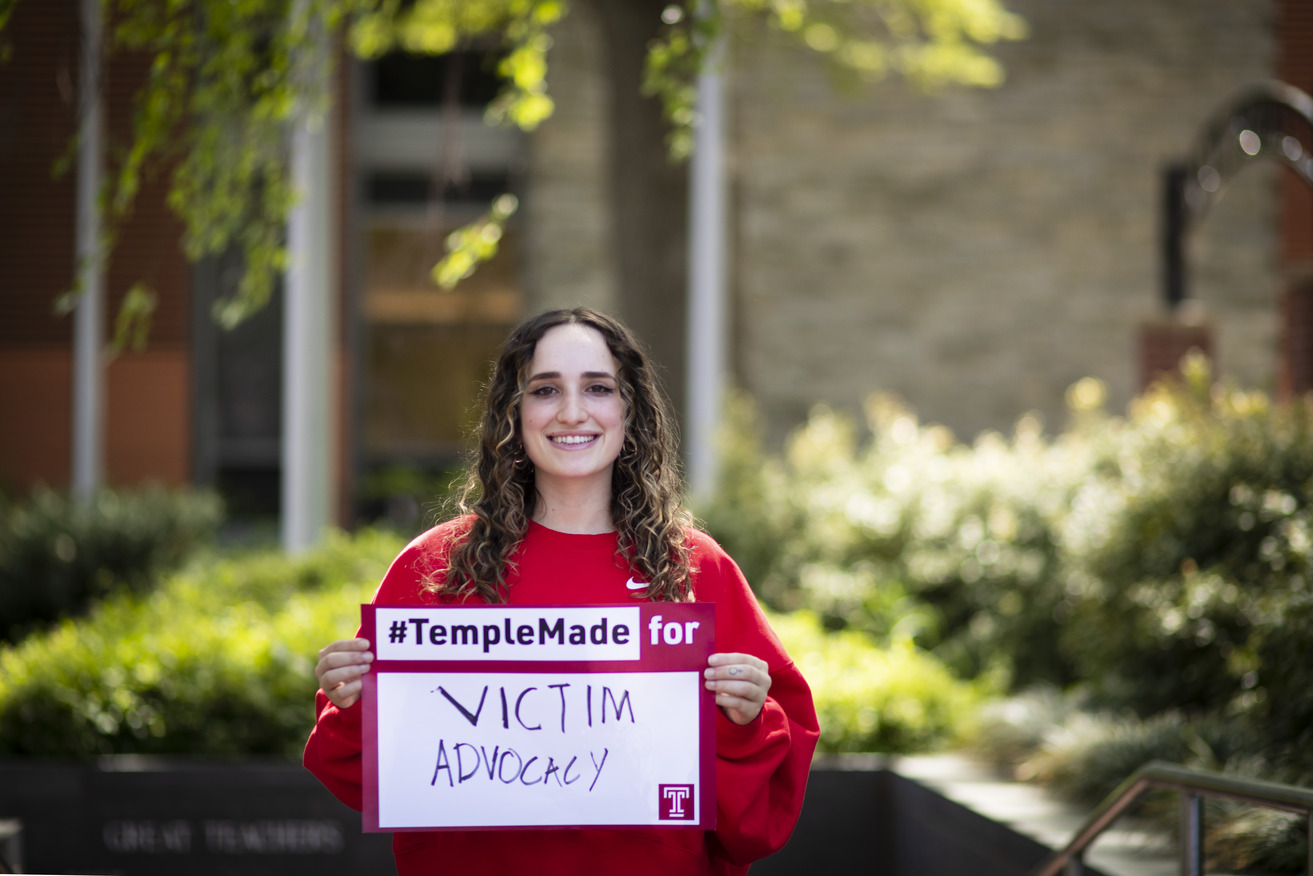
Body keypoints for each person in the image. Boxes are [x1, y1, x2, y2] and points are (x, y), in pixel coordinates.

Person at [304, 307, 818, 876]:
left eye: (598, 388)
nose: (573, 412)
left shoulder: (696, 569)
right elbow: (362, 775)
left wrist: (746, 718)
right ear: (513, 413)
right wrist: (353, 701)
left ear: (630, 410)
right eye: (546, 390)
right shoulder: (435, 567)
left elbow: (761, 811)